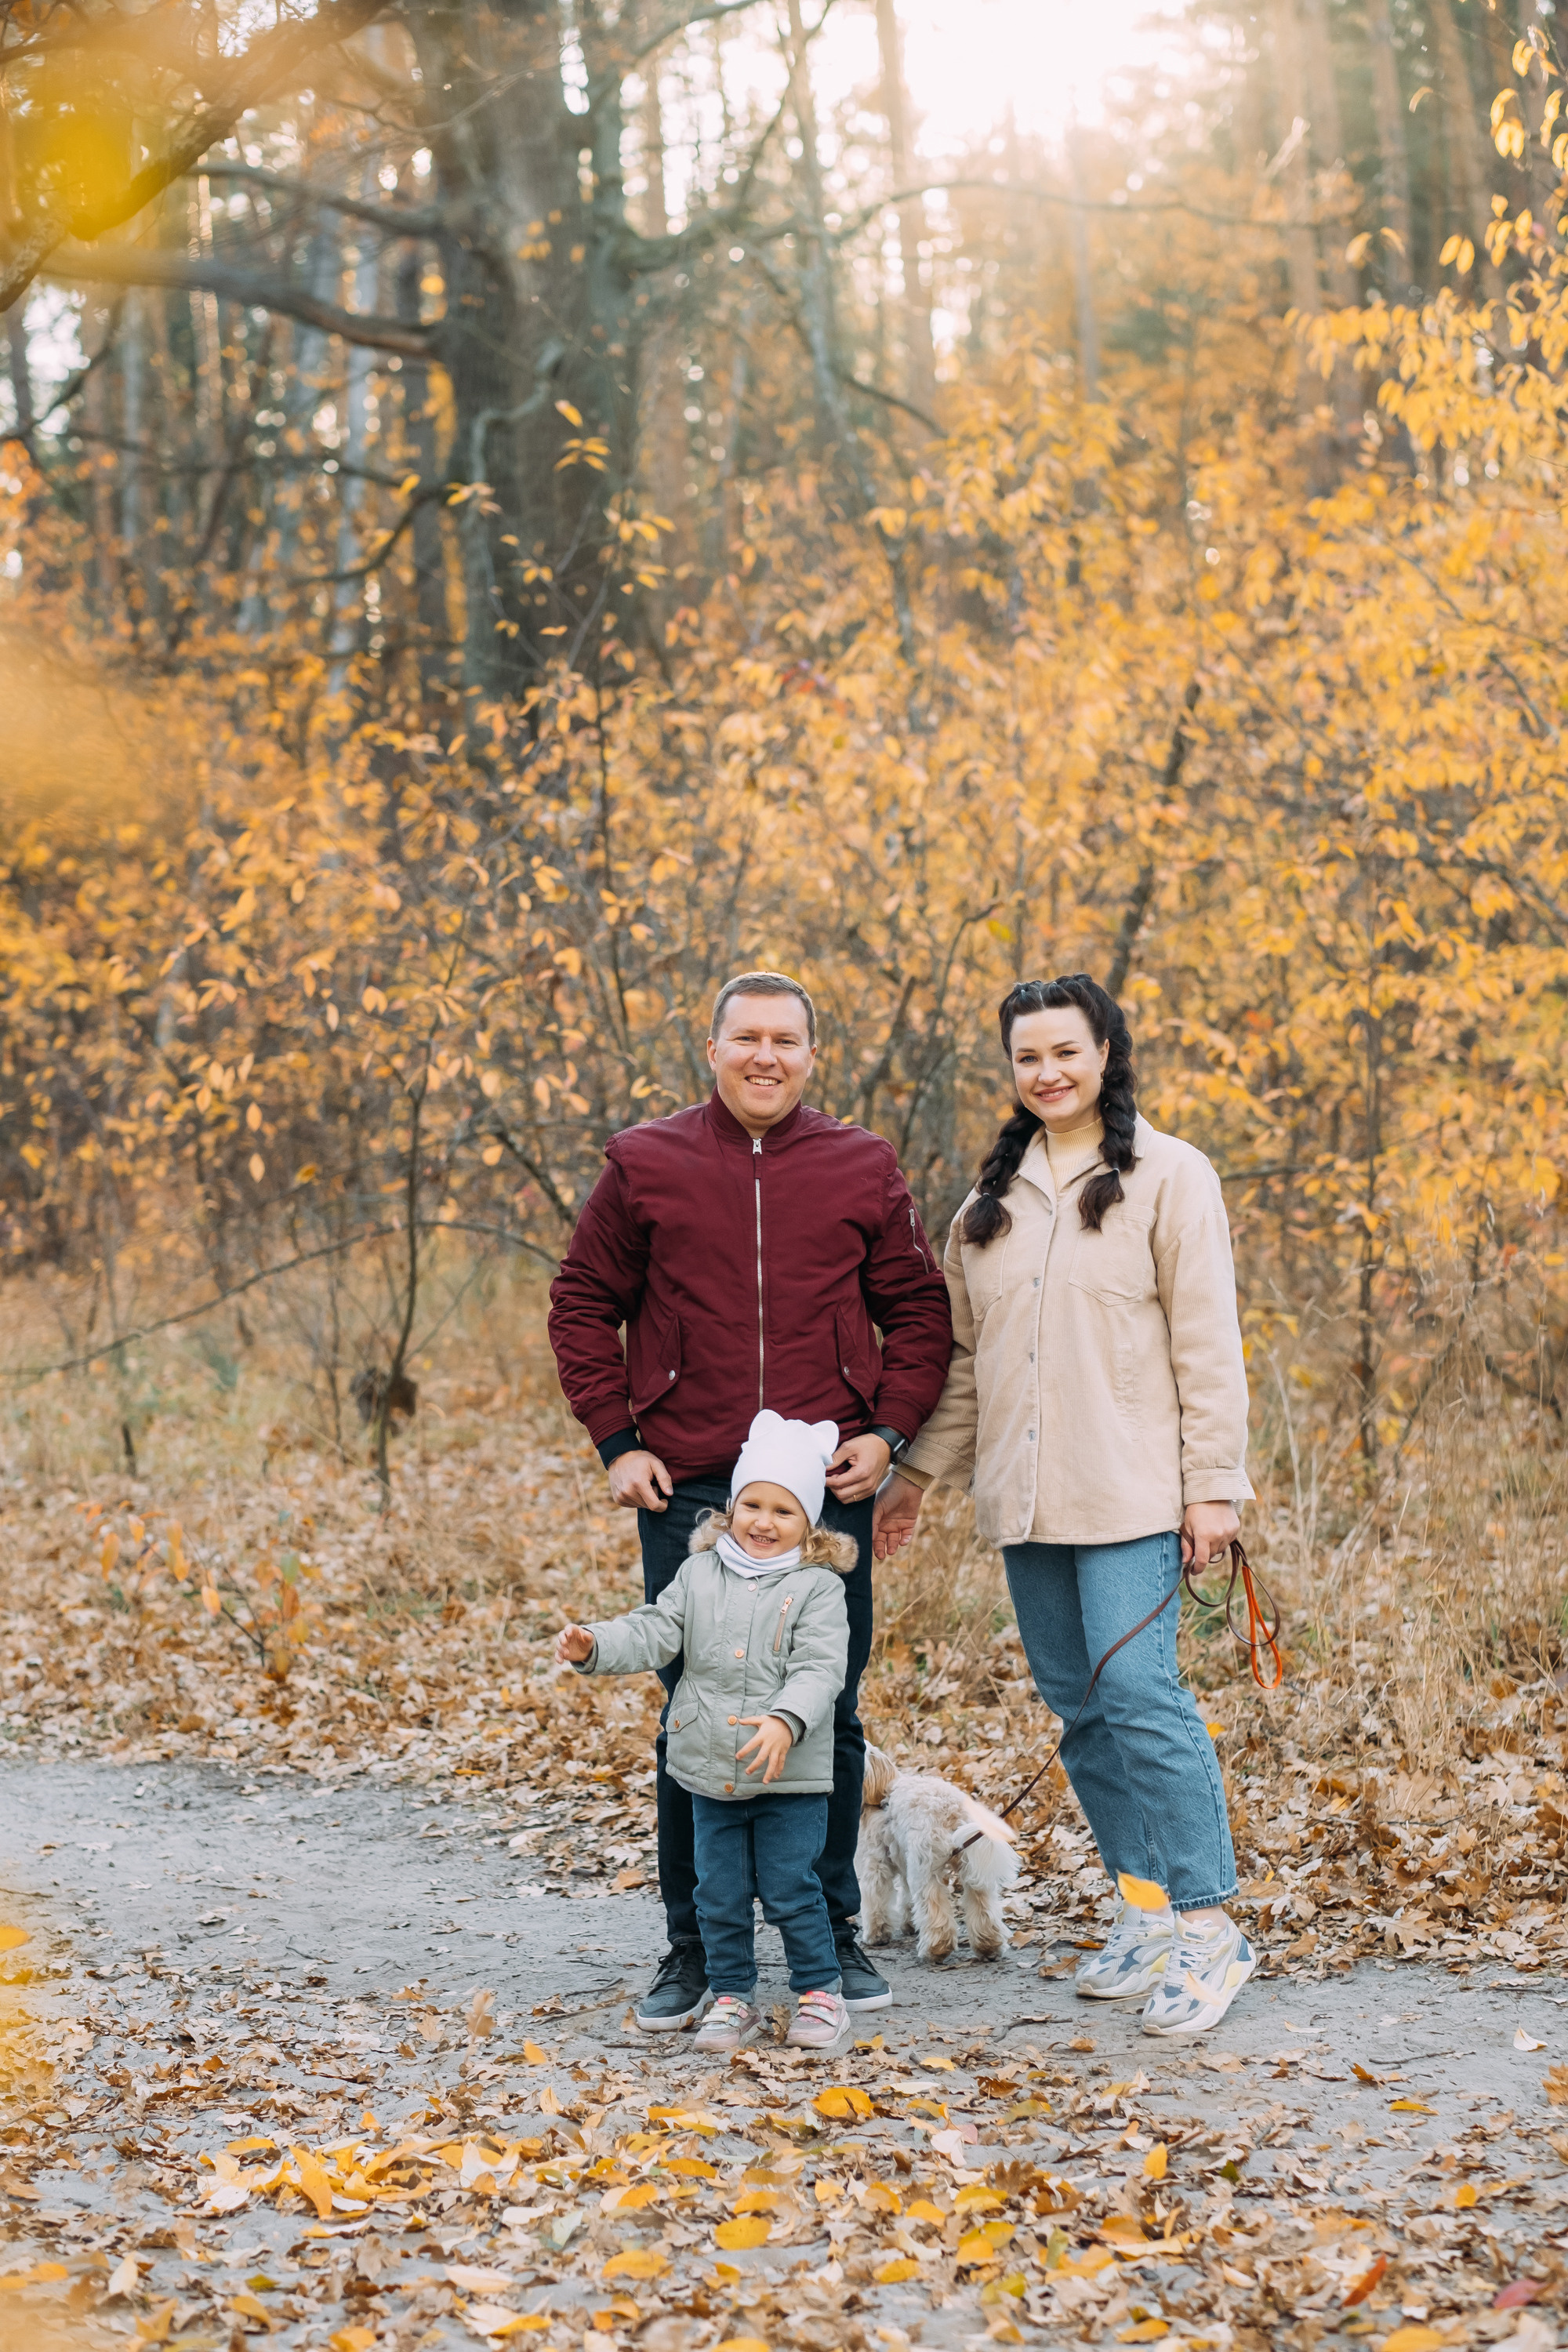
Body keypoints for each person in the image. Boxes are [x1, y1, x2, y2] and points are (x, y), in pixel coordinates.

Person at [547, 971, 953, 2027]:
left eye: (786, 1040)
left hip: (824, 1494)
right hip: (689, 1489)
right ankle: (695, 1949)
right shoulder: (647, 1163)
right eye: (746, 1038)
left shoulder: (861, 1165)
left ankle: (832, 1940)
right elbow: (584, 1301)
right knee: (695, 1715)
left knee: (829, 1707)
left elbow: (917, 1313)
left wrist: (888, 1436)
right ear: (714, 1048)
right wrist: (616, 1442)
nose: (765, 1056)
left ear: (812, 1054)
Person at [873, 973, 1257, 2038]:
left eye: (1066, 1052)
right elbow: (964, 1370)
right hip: (1026, 1504)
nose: (1048, 1072)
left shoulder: (1171, 1177)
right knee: (1081, 1712)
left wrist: (1214, 1488)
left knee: (1141, 1697)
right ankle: (1141, 1913)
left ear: (1105, 1054)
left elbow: (1208, 1345)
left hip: (1134, 1493)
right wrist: (910, 1483)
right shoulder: (983, 1212)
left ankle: (1208, 1928)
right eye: (1027, 1058)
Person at [557, 1412, 855, 2053]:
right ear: (731, 1506)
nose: (763, 1522)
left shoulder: (818, 1588)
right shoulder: (699, 1575)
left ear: (809, 1522)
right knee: (716, 1892)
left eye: (784, 1510)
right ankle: (730, 1996)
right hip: (709, 1769)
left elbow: (821, 1667)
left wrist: (785, 1719)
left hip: (788, 1776)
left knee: (790, 1888)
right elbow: (654, 1630)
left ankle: (821, 1992)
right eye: (752, 1503)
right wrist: (594, 1645)